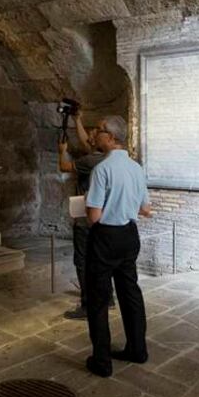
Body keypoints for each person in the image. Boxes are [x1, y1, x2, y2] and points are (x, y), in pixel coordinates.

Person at [83, 115, 152, 377]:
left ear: (110, 138)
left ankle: (101, 361)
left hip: (106, 237)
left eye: (99, 130)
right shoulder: (136, 168)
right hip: (129, 235)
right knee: (130, 292)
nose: (95, 134)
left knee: (98, 299)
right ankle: (138, 349)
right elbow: (145, 208)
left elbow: (94, 216)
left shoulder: (102, 169)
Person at [57, 108, 110, 320]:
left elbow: (64, 166)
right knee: (102, 260)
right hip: (106, 217)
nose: (91, 135)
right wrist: (77, 119)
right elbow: (87, 143)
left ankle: (87, 305)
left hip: (86, 215)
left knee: (83, 261)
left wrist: (62, 150)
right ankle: (109, 297)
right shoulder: (108, 157)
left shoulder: (89, 162)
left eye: (96, 131)